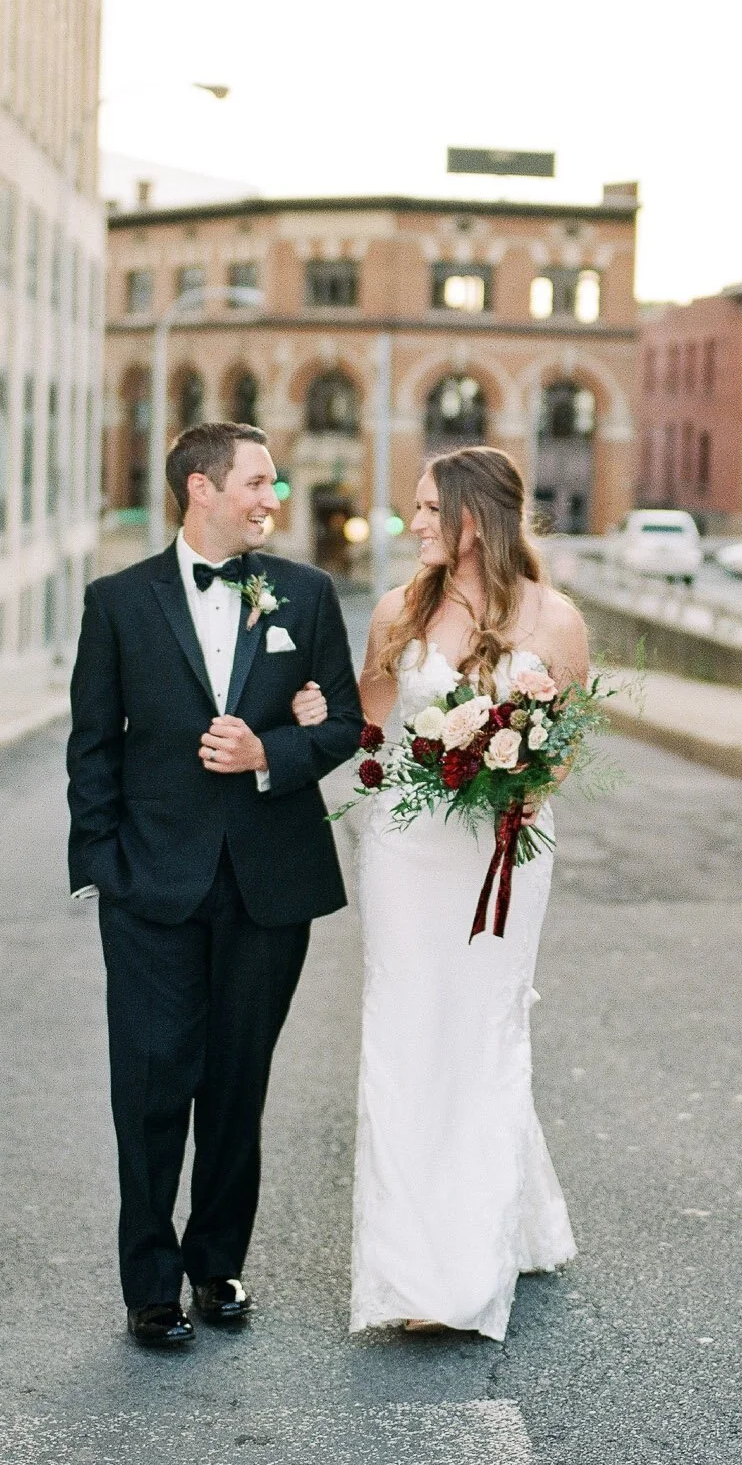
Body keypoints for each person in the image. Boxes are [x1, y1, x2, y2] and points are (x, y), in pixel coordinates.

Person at [67, 421, 362, 1348]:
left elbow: (347, 724)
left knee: (239, 1087)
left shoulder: (306, 596)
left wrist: (267, 752)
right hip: (149, 889)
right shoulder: (117, 602)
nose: (273, 496)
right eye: (259, 481)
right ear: (201, 488)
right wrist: (101, 867)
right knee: (152, 1087)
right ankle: (150, 1284)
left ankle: (216, 1266)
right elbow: (91, 747)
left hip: (268, 887)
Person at [350, 444, 586, 1338]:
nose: (411, 522)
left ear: (472, 518)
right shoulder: (396, 612)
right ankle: (422, 1276)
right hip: (408, 853)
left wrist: (515, 767)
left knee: (483, 1031)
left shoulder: (553, 620)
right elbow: (370, 726)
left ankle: (478, 1250)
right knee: (409, 1034)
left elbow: (561, 752)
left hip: (502, 852)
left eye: (424, 508)